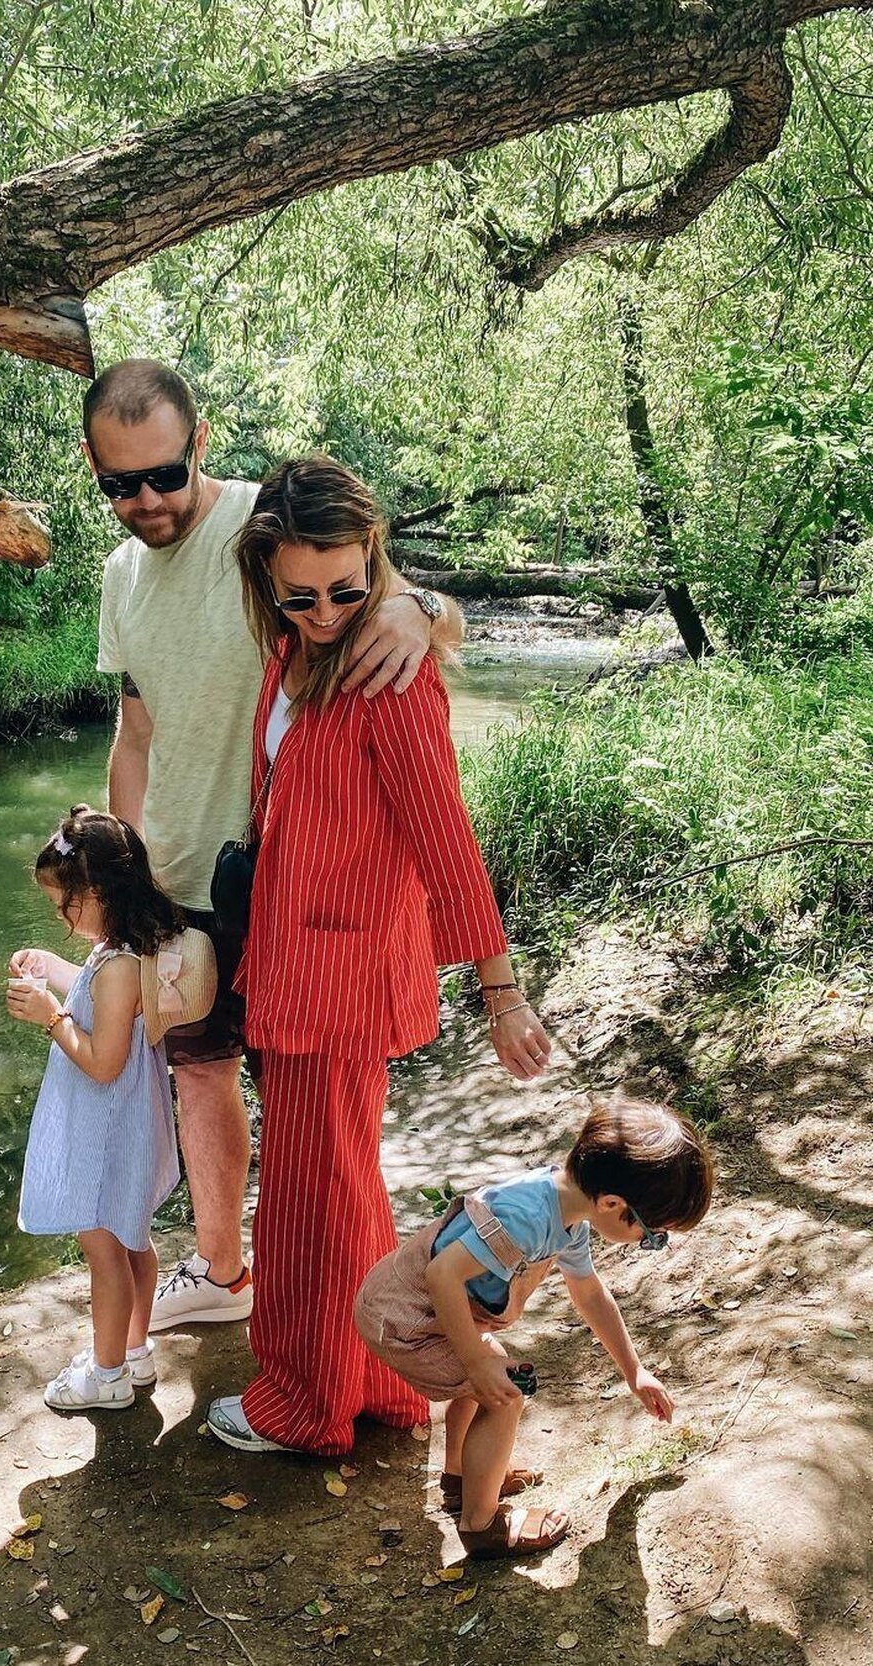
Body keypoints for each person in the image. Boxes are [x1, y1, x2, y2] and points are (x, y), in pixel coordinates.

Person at [88, 359, 459, 1330]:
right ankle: (223, 1271)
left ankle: (343, 1302)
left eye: (164, 474)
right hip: (172, 881)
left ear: (199, 442)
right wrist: (118, 877)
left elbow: (406, 601)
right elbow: (135, 730)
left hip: (287, 881)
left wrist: (417, 610)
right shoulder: (120, 575)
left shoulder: (264, 526)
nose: (148, 501)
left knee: (311, 1101)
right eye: (119, 484)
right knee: (198, 1072)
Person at [203, 455, 552, 1457]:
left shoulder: (395, 680)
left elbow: (446, 837)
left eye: (349, 589)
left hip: (338, 982)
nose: (326, 610)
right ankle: (379, 1384)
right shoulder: (291, 650)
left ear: (376, 561)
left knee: (313, 1196)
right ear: (268, 580)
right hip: (291, 960)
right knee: (342, 1182)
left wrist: (502, 990)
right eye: (300, 592)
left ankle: (303, 1404)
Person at [354, 1096, 714, 1558]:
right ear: (612, 1203)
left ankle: (463, 1478)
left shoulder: (569, 1213)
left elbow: (589, 1294)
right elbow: (441, 1275)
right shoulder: (526, 1218)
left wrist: (634, 1371)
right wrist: (475, 1360)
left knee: (486, 1379)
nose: (649, 1242)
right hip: (405, 1321)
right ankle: (482, 1525)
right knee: (503, 1394)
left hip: (415, 1310)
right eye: (654, 1234)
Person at [7, 805, 185, 1413]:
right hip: (128, 1125)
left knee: (104, 1252)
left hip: (105, 1129)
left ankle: (105, 1374)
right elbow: (98, 989)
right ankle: (133, 1352)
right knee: (133, 1239)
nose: (61, 918)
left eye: (66, 906)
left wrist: (50, 1017)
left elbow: (104, 1061)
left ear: (100, 893)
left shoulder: (116, 967)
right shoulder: (124, 950)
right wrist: (52, 971)